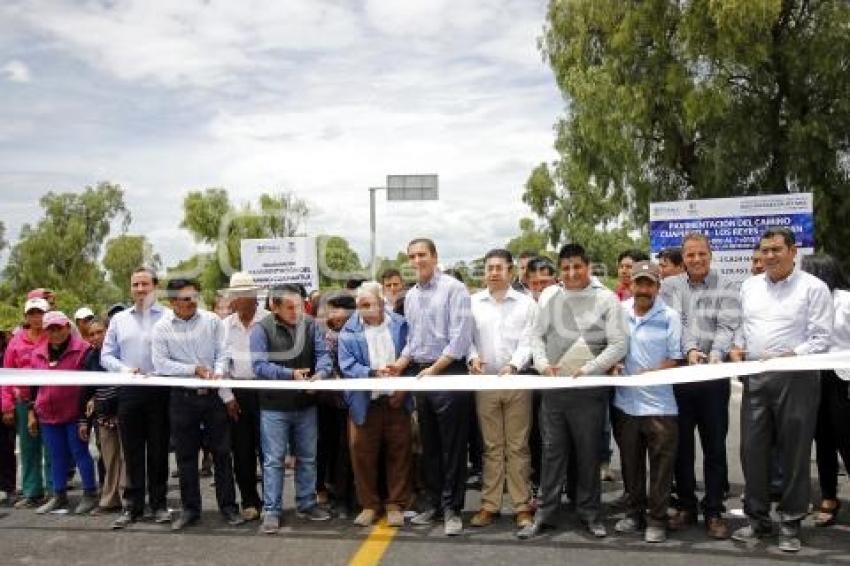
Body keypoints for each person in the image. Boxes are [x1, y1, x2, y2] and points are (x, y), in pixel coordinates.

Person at [730, 227, 833, 553]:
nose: (769, 256)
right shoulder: (749, 287)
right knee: (752, 449)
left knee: (794, 452)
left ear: (793, 252)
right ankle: (758, 519)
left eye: (776, 249)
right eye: (765, 250)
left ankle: (790, 522)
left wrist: (792, 355)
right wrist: (737, 347)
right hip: (757, 378)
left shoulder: (813, 288)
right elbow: (743, 329)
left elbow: (821, 338)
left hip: (797, 379)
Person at [520, 243, 628, 540]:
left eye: (576, 267)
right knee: (552, 453)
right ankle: (545, 514)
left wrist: (591, 369)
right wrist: (542, 365)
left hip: (589, 393)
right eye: (565, 268)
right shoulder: (550, 297)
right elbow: (537, 338)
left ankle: (590, 514)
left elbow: (619, 344)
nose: (571, 273)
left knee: (588, 455)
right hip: (554, 392)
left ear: (588, 267)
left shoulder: (606, 299)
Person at [383, 238, 473, 537]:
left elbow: (460, 339)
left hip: (447, 372)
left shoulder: (454, 289)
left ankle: (453, 509)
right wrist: (400, 363)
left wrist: (434, 370)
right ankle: (434, 504)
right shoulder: (410, 297)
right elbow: (413, 341)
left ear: (435, 257)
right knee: (430, 445)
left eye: (422, 254)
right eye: (412, 256)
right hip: (422, 373)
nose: (417, 260)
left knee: (453, 445)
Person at [661, 232, 739, 539]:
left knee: (715, 446)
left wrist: (715, 355)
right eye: (690, 255)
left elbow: (727, 324)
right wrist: (691, 351)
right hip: (681, 374)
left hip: (713, 376)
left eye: (701, 254)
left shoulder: (728, 285)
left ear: (711, 254)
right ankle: (686, 506)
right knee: (680, 446)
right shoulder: (670, 286)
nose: (696, 260)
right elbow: (677, 322)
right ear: (684, 258)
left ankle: (715, 510)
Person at [151, 277, 243, 531]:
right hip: (182, 398)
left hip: (213, 397)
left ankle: (228, 507)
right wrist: (194, 369)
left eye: (194, 297)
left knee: (222, 454)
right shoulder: (161, 328)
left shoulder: (211, 321)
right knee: (185, 457)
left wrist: (218, 372)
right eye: (185, 299)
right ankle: (190, 510)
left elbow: (223, 353)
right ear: (172, 302)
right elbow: (160, 364)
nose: (191, 302)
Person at [251, 284, 334, 534]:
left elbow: (323, 355)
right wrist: (290, 375)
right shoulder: (261, 329)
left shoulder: (311, 325)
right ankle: (272, 510)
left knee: (308, 457)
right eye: (289, 307)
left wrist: (321, 373)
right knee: (274, 460)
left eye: (298, 305)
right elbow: (259, 366)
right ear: (274, 307)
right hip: (274, 406)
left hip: (306, 405)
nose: (295, 311)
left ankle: (307, 504)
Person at [612, 261, 682, 543]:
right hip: (626, 403)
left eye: (649, 284)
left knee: (662, 466)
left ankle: (657, 519)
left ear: (657, 286)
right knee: (631, 463)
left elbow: (675, 357)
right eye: (639, 283)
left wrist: (654, 372)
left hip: (660, 405)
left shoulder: (670, 316)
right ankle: (634, 513)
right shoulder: (619, 312)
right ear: (631, 284)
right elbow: (612, 348)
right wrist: (615, 364)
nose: (643, 289)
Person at [467, 249, 536, 532]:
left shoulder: (526, 303)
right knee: (492, 447)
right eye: (489, 268)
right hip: (485, 383)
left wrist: (514, 365)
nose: (494, 272)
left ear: (510, 271)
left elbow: (529, 339)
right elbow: (467, 339)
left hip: (516, 382)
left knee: (518, 446)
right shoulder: (472, 303)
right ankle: (490, 505)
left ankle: (522, 506)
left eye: (499, 267)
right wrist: (472, 358)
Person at [102, 267, 171, 529]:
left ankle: (159, 504)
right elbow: (106, 355)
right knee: (131, 451)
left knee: (158, 450)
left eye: (145, 284)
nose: (140, 289)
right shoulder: (119, 320)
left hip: (160, 391)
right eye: (135, 285)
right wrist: (124, 370)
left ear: (155, 286)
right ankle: (132, 506)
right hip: (129, 391)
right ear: (130, 288)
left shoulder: (167, 316)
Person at [338, 281, 412, 527]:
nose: (364, 310)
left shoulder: (401, 326)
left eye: (369, 304)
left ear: (381, 303)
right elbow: (347, 366)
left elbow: (411, 358)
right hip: (364, 404)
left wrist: (402, 389)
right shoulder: (348, 332)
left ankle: (395, 505)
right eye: (360, 305)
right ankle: (369, 505)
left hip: (396, 402)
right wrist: (372, 373)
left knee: (399, 453)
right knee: (362, 455)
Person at [30, 311, 98, 515]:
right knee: (55, 455)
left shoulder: (84, 349)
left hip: (75, 414)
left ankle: (89, 494)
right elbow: (33, 387)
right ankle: (58, 496)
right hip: (47, 415)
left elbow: (92, 383)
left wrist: (86, 412)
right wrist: (32, 412)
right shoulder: (37, 352)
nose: (55, 332)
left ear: (68, 327)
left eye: (58, 327)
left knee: (80, 453)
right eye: (50, 328)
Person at [801, 255, 850, 527]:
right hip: (814, 376)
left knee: (846, 438)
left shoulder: (845, 301)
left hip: (843, 378)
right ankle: (829, 497)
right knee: (823, 441)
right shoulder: (806, 302)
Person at [222, 272, 266, 522]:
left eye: (244, 295)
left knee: (269, 451)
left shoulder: (269, 322)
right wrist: (228, 397)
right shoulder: (224, 326)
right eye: (235, 296)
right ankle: (250, 500)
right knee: (242, 451)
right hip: (237, 392)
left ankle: (272, 502)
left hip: (267, 392)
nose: (237, 300)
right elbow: (221, 364)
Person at [1, 297, 51, 509]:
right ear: (26, 317)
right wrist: (6, 405)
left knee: (51, 447)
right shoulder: (16, 341)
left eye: (40, 313)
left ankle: (53, 490)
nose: (36, 317)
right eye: (32, 313)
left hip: (49, 399)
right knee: (28, 448)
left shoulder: (53, 336)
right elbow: (6, 375)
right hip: (23, 401)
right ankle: (32, 492)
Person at [315, 292, 357, 519]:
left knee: (349, 450)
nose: (333, 315)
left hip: (355, 402)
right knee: (335, 450)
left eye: (337, 310)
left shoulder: (360, 333)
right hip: (330, 404)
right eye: (330, 311)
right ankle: (339, 497)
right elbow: (324, 363)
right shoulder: (327, 336)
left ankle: (351, 496)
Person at [78, 317, 125, 512]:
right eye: (92, 334)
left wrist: (102, 402)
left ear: (109, 332)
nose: (96, 337)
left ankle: (128, 500)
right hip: (103, 418)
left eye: (100, 332)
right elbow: (86, 392)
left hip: (124, 413)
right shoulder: (89, 359)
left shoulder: (122, 354)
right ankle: (109, 500)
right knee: (109, 458)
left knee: (128, 458)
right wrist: (84, 421)